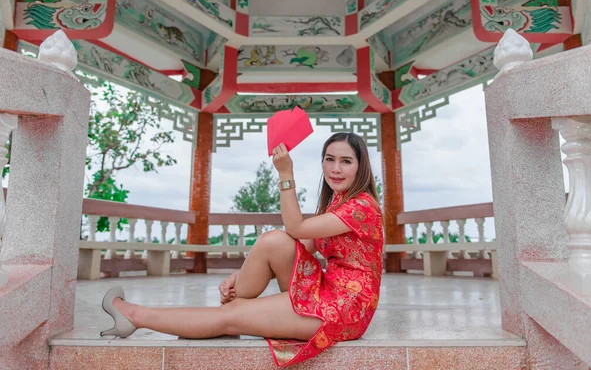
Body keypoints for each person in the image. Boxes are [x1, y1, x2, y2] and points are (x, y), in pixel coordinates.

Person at [100, 132, 384, 367]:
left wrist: (286, 174)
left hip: (345, 309)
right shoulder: (337, 203)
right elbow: (299, 244)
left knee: (231, 318)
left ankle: (135, 316)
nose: (336, 168)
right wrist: (239, 275)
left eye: (346, 161)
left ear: (361, 167)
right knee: (274, 240)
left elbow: (296, 227)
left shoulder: (362, 207)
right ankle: (238, 302)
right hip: (327, 289)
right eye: (330, 159)